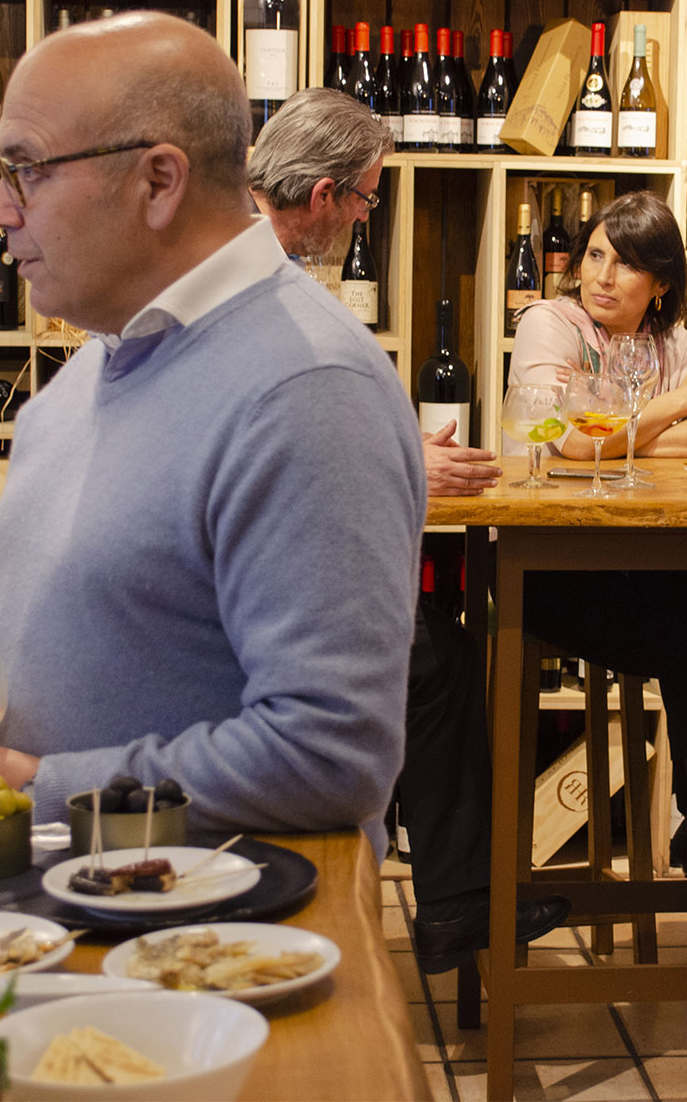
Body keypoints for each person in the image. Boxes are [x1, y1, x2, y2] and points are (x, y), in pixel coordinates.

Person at [0, 13, 427, 857]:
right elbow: (58, 635)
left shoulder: (307, 389)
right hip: (81, 894)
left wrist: (38, 784)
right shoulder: (102, 362)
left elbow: (328, 756)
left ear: (158, 181)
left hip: (211, 922)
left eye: (26, 171)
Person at [247, 89, 569, 972]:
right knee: (434, 657)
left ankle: (458, 903)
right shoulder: (255, 278)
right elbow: (258, 440)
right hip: (247, 592)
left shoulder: (253, 264)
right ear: (323, 194)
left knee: (438, 651)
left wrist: (392, 451)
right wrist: (403, 465)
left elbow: (288, 423)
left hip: (262, 564)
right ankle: (454, 906)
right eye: (365, 199)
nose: (364, 217)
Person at [506, 192, 687, 909]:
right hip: (544, 566)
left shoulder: (669, 343)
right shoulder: (549, 324)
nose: (602, 276)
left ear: (661, 284)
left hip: (642, 565)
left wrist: (617, 436)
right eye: (595, 255)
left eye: (625, 265)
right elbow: (569, 439)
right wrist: (673, 409)